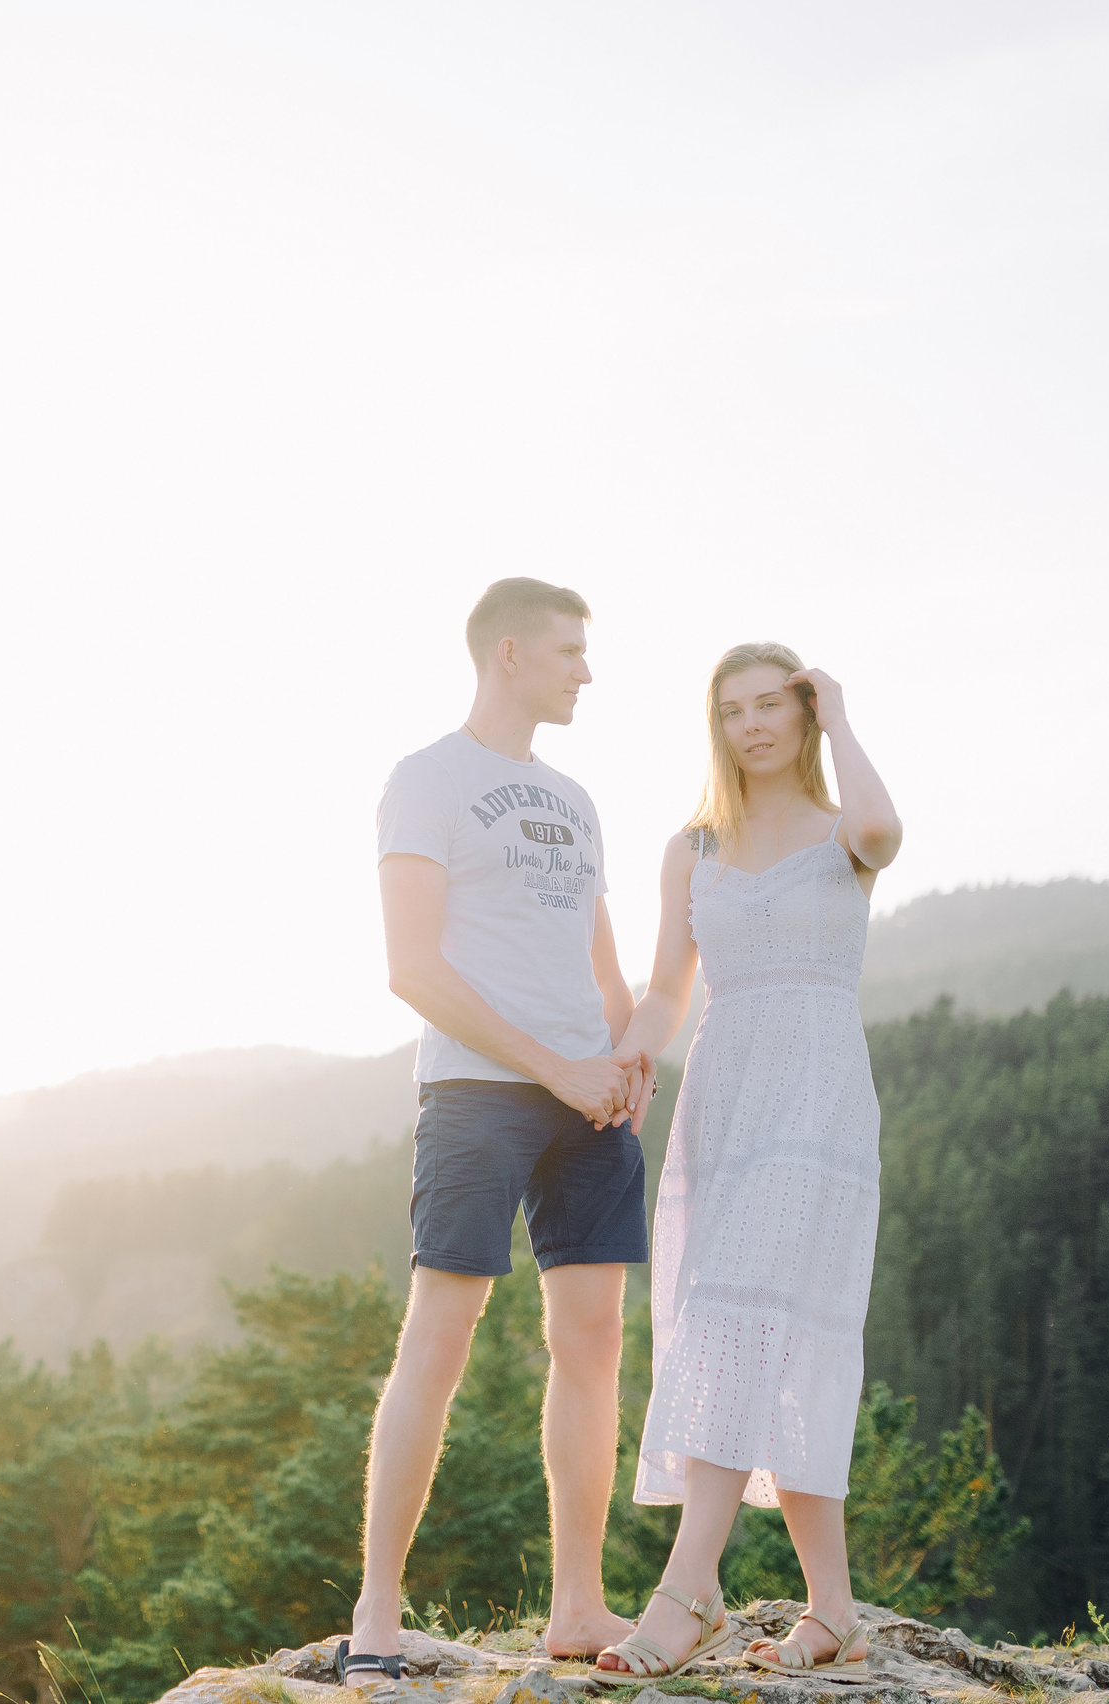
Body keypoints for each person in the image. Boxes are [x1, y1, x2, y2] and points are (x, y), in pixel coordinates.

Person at [344, 577, 652, 1689]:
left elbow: (601, 962)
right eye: (571, 650)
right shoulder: (424, 781)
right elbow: (411, 967)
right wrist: (555, 1065)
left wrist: (623, 1060)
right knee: (440, 1335)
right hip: (478, 1092)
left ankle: (577, 1605)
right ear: (509, 653)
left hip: (589, 1102)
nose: (586, 669)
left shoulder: (574, 800)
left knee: (595, 1342)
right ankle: (376, 1610)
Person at [588, 642, 903, 1688]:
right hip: (723, 1098)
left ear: (804, 713)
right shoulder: (692, 847)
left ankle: (686, 1592)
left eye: (773, 704)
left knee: (742, 1318)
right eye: (732, 710)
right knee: (761, 1330)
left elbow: (883, 833)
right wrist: (634, 1049)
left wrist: (845, 715)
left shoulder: (840, 833)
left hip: (816, 1097)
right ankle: (834, 1611)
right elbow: (669, 987)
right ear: (713, 725)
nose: (752, 724)